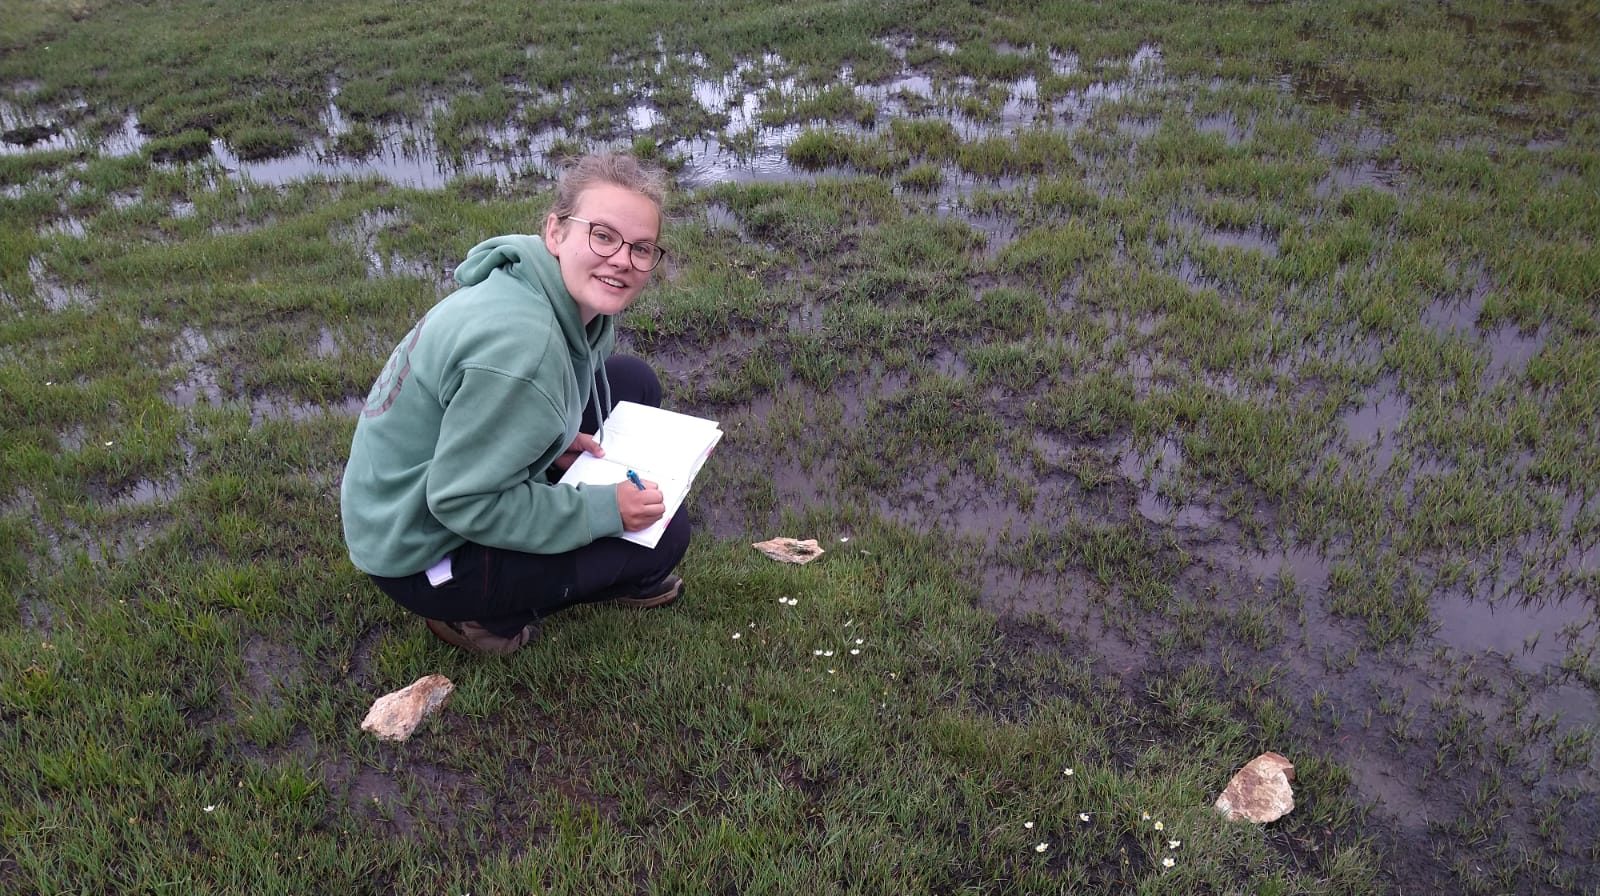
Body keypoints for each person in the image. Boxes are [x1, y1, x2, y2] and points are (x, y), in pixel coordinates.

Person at [340, 152, 689, 655]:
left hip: (420, 488)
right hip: (418, 546)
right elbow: (462, 501)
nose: (622, 260)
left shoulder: (549, 290)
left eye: (642, 248)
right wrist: (604, 509)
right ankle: (482, 617)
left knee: (631, 381)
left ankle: (589, 554)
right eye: (604, 236)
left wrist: (552, 439)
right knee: (667, 536)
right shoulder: (524, 353)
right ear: (556, 232)